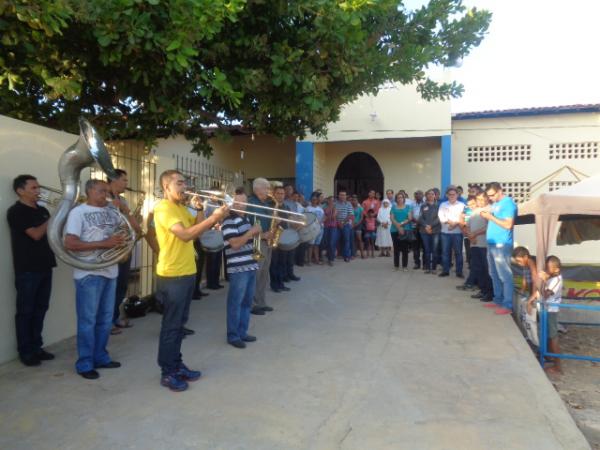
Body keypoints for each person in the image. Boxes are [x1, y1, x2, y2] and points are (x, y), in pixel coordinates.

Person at [153, 170, 228, 391]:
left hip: (186, 272)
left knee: (180, 325)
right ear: (166, 187)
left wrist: (200, 209)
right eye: (179, 183)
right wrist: (216, 217)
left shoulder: (179, 207)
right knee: (171, 326)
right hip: (172, 275)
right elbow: (184, 235)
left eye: (184, 182)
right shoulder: (163, 208)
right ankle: (167, 372)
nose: (184, 187)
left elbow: (197, 230)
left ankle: (176, 364)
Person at [64, 179, 125, 380]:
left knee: (105, 320)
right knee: (88, 321)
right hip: (89, 273)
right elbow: (70, 243)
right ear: (89, 191)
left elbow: (129, 231)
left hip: (110, 271)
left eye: (107, 192)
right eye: (101, 191)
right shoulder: (77, 213)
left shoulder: (111, 211)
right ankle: (85, 363)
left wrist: (121, 211)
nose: (105, 195)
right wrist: (106, 243)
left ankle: (101, 356)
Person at [7, 174, 57, 366]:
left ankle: (37, 346)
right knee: (26, 311)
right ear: (20, 191)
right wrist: (54, 216)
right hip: (27, 269)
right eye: (34, 188)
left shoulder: (42, 209)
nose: (39, 191)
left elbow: (51, 233)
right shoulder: (16, 212)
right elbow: (36, 234)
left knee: (41, 309)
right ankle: (25, 351)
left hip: (45, 265)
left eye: (38, 187)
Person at [221, 191, 262, 349]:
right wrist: (251, 231)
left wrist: (264, 235)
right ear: (232, 203)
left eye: (244, 202)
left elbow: (249, 240)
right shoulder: (229, 221)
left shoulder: (245, 219)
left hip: (251, 265)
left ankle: (242, 332)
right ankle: (233, 335)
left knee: (246, 303)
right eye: (237, 202)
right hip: (238, 268)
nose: (242, 205)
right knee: (235, 303)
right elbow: (235, 244)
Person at [107, 169, 142, 334]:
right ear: (114, 180)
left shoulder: (122, 199)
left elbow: (132, 223)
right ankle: (107, 323)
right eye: (124, 180)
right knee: (111, 287)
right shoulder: (104, 198)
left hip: (124, 247)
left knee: (121, 285)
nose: (127, 184)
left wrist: (137, 227)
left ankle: (114, 318)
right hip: (111, 249)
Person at [480, 182, 518, 315]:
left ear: (500, 191)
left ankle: (507, 305)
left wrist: (490, 217)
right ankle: (498, 299)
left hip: (502, 244)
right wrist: (487, 217)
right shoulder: (496, 204)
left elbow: (508, 225)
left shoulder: (508, 204)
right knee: (494, 273)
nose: (490, 198)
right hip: (492, 243)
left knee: (505, 275)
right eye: (488, 196)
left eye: (492, 195)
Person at [247, 178, 276, 315]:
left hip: (267, 242)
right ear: (258, 189)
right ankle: (252, 304)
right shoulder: (251, 203)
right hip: (257, 241)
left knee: (264, 273)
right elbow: (250, 225)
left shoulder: (267, 203)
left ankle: (261, 302)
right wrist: (263, 235)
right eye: (267, 188)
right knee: (256, 274)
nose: (269, 191)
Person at [529, 256, 563, 374]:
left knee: (553, 337)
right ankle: (549, 356)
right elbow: (539, 292)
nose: (546, 271)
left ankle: (558, 366)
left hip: (551, 310)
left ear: (557, 270)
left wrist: (543, 280)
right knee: (548, 335)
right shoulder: (551, 277)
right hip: (546, 309)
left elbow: (546, 294)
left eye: (549, 269)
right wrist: (530, 300)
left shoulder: (556, 280)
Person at [462, 192, 493, 302]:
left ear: (487, 199)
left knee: (486, 270)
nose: (480, 201)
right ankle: (483, 290)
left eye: (482, 198)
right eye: (478, 199)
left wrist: (475, 234)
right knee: (478, 269)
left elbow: (489, 226)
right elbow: (467, 226)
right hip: (474, 244)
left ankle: (490, 293)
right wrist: (470, 236)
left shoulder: (490, 209)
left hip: (484, 245)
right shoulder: (474, 211)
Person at [438, 187, 465, 278]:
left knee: (458, 253)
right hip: (445, 232)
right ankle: (445, 271)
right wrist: (451, 223)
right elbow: (441, 217)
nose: (452, 196)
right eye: (450, 194)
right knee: (445, 252)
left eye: (454, 194)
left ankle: (459, 272)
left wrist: (455, 224)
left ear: (457, 195)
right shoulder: (443, 205)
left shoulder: (462, 205)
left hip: (458, 232)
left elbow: (464, 218)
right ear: (447, 195)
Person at [269, 185, 289, 293]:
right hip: (274, 237)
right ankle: (274, 284)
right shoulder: (270, 206)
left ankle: (281, 283)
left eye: (282, 193)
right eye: (278, 193)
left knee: (283, 261)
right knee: (274, 262)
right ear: (274, 194)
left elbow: (290, 219)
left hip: (284, 236)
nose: (281, 195)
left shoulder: (286, 207)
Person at [418, 189, 441, 274]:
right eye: (428, 194)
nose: (430, 195)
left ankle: (434, 268)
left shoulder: (438, 206)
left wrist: (431, 226)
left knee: (435, 250)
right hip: (424, 231)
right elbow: (420, 218)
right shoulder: (423, 206)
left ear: (435, 196)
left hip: (435, 231)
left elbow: (439, 218)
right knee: (427, 250)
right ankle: (427, 267)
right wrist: (426, 226)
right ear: (426, 196)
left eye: (432, 194)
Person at [390, 193, 413, 271]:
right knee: (396, 248)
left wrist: (401, 224)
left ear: (404, 199)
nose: (400, 199)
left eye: (401, 197)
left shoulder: (408, 207)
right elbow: (392, 218)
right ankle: (396, 266)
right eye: (398, 198)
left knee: (404, 249)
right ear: (396, 199)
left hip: (405, 229)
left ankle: (404, 266)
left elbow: (409, 218)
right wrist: (398, 227)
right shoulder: (393, 207)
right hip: (394, 230)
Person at [333, 190, 354, 262]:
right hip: (337, 225)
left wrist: (343, 222)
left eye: (344, 195)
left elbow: (350, 214)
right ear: (338, 196)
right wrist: (339, 223)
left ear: (346, 196)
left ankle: (347, 256)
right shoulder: (335, 204)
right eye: (341, 195)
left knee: (346, 240)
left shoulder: (349, 204)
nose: (342, 196)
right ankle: (333, 256)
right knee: (334, 240)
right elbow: (334, 215)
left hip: (346, 225)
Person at [305, 193, 325, 265]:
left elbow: (323, 217)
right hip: (311, 229)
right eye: (313, 199)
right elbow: (305, 218)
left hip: (320, 229)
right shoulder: (308, 208)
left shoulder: (320, 209)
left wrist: (320, 222)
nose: (314, 201)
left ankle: (316, 260)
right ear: (311, 200)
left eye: (315, 199)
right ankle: (309, 261)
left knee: (317, 245)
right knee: (310, 245)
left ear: (317, 200)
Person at [411, 190, 425, 269]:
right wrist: (415, 220)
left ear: (423, 195)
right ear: (415, 196)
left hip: (423, 228)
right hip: (414, 227)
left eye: (420, 194)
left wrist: (420, 222)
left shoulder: (426, 204)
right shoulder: (412, 204)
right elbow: (410, 214)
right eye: (416, 194)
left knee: (424, 247)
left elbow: (426, 215)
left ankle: (425, 264)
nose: (418, 195)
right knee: (415, 247)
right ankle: (417, 263)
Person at [323, 196, 337, 266]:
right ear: (327, 201)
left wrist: (327, 218)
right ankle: (328, 256)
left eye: (333, 200)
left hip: (333, 227)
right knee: (327, 242)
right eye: (330, 200)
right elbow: (323, 218)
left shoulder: (335, 207)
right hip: (326, 227)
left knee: (331, 242)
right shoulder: (324, 207)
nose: (331, 201)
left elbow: (334, 216)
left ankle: (331, 259)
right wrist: (328, 218)